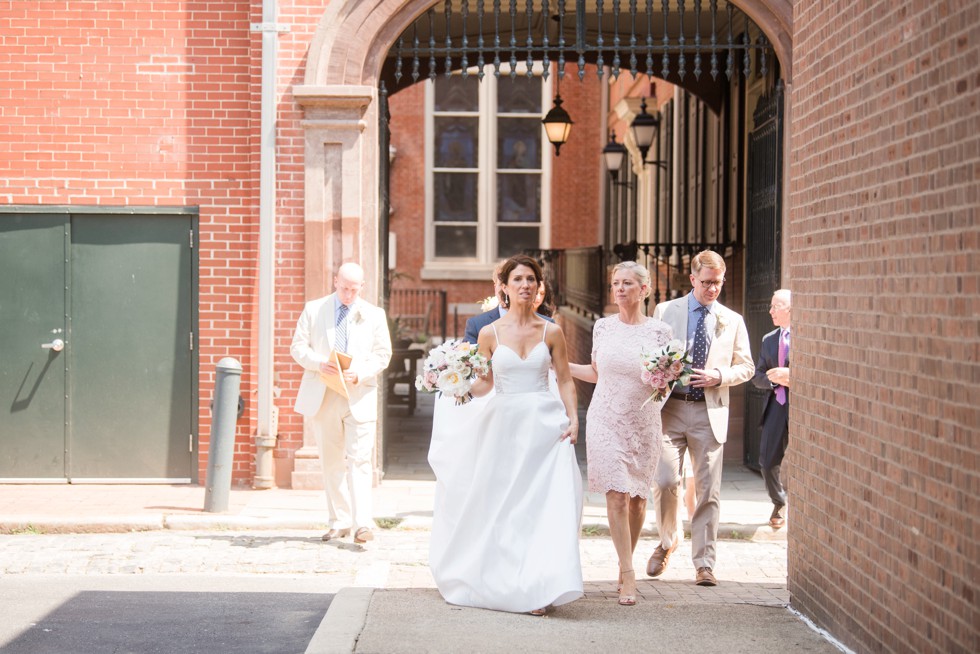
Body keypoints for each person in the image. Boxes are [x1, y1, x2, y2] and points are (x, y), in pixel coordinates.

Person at [428, 255, 583, 615]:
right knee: (507, 506)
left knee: (541, 507)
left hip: (546, 428)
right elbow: (485, 385)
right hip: (504, 426)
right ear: (504, 287)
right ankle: (508, 582)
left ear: (538, 287)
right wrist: (456, 383)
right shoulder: (488, 334)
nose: (525, 285)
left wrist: (573, 419)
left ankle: (539, 585)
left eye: (531, 279)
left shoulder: (552, 331)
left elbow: (564, 380)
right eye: (518, 279)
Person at [646, 250, 754, 587]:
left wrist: (719, 376)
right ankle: (667, 540)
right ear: (692, 279)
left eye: (717, 284)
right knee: (665, 481)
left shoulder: (732, 319)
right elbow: (649, 356)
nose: (711, 290)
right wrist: (662, 369)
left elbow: (747, 366)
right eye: (705, 283)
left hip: (710, 411)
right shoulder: (666, 311)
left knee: (708, 490)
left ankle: (704, 563)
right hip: (671, 408)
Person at [568, 261, 673, 606]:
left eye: (628, 283)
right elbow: (598, 372)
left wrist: (663, 383)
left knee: (638, 499)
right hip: (605, 419)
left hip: (643, 422)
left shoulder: (660, 332)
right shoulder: (602, 327)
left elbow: (667, 382)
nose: (620, 289)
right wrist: (559, 365)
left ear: (644, 289)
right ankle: (627, 571)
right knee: (616, 495)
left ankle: (625, 559)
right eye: (616, 283)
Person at [290, 262, 393, 545]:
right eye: (344, 287)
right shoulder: (314, 309)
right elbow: (297, 347)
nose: (348, 294)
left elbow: (383, 354)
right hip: (324, 392)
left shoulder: (374, 314)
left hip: (359, 393)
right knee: (331, 460)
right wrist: (319, 363)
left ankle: (363, 524)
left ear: (363, 287)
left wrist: (360, 372)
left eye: (354, 289)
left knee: (359, 460)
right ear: (335, 281)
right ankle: (340, 520)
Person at [751, 289, 791, 529]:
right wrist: (775, 380)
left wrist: (793, 376)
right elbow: (757, 375)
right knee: (767, 461)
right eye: (771, 306)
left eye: (776, 306)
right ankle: (779, 501)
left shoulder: (807, 336)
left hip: (801, 407)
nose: (771, 311)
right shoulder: (769, 339)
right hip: (776, 404)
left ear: (790, 309)